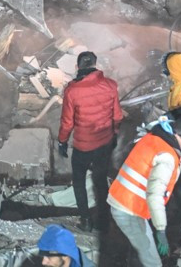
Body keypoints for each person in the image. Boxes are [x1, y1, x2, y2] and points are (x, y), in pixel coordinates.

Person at [108, 117, 181, 267]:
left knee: (141, 247)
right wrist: (161, 230)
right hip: (128, 208)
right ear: (176, 135)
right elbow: (155, 196)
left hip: (124, 199)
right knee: (150, 258)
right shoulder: (167, 157)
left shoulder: (153, 138)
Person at [57, 51, 123, 231]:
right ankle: (104, 219)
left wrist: (62, 141)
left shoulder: (72, 91)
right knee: (100, 179)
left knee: (78, 181)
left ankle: (85, 220)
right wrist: (114, 133)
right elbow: (117, 115)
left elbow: (67, 122)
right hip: (104, 142)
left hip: (83, 146)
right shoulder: (110, 85)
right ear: (95, 65)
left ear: (77, 67)